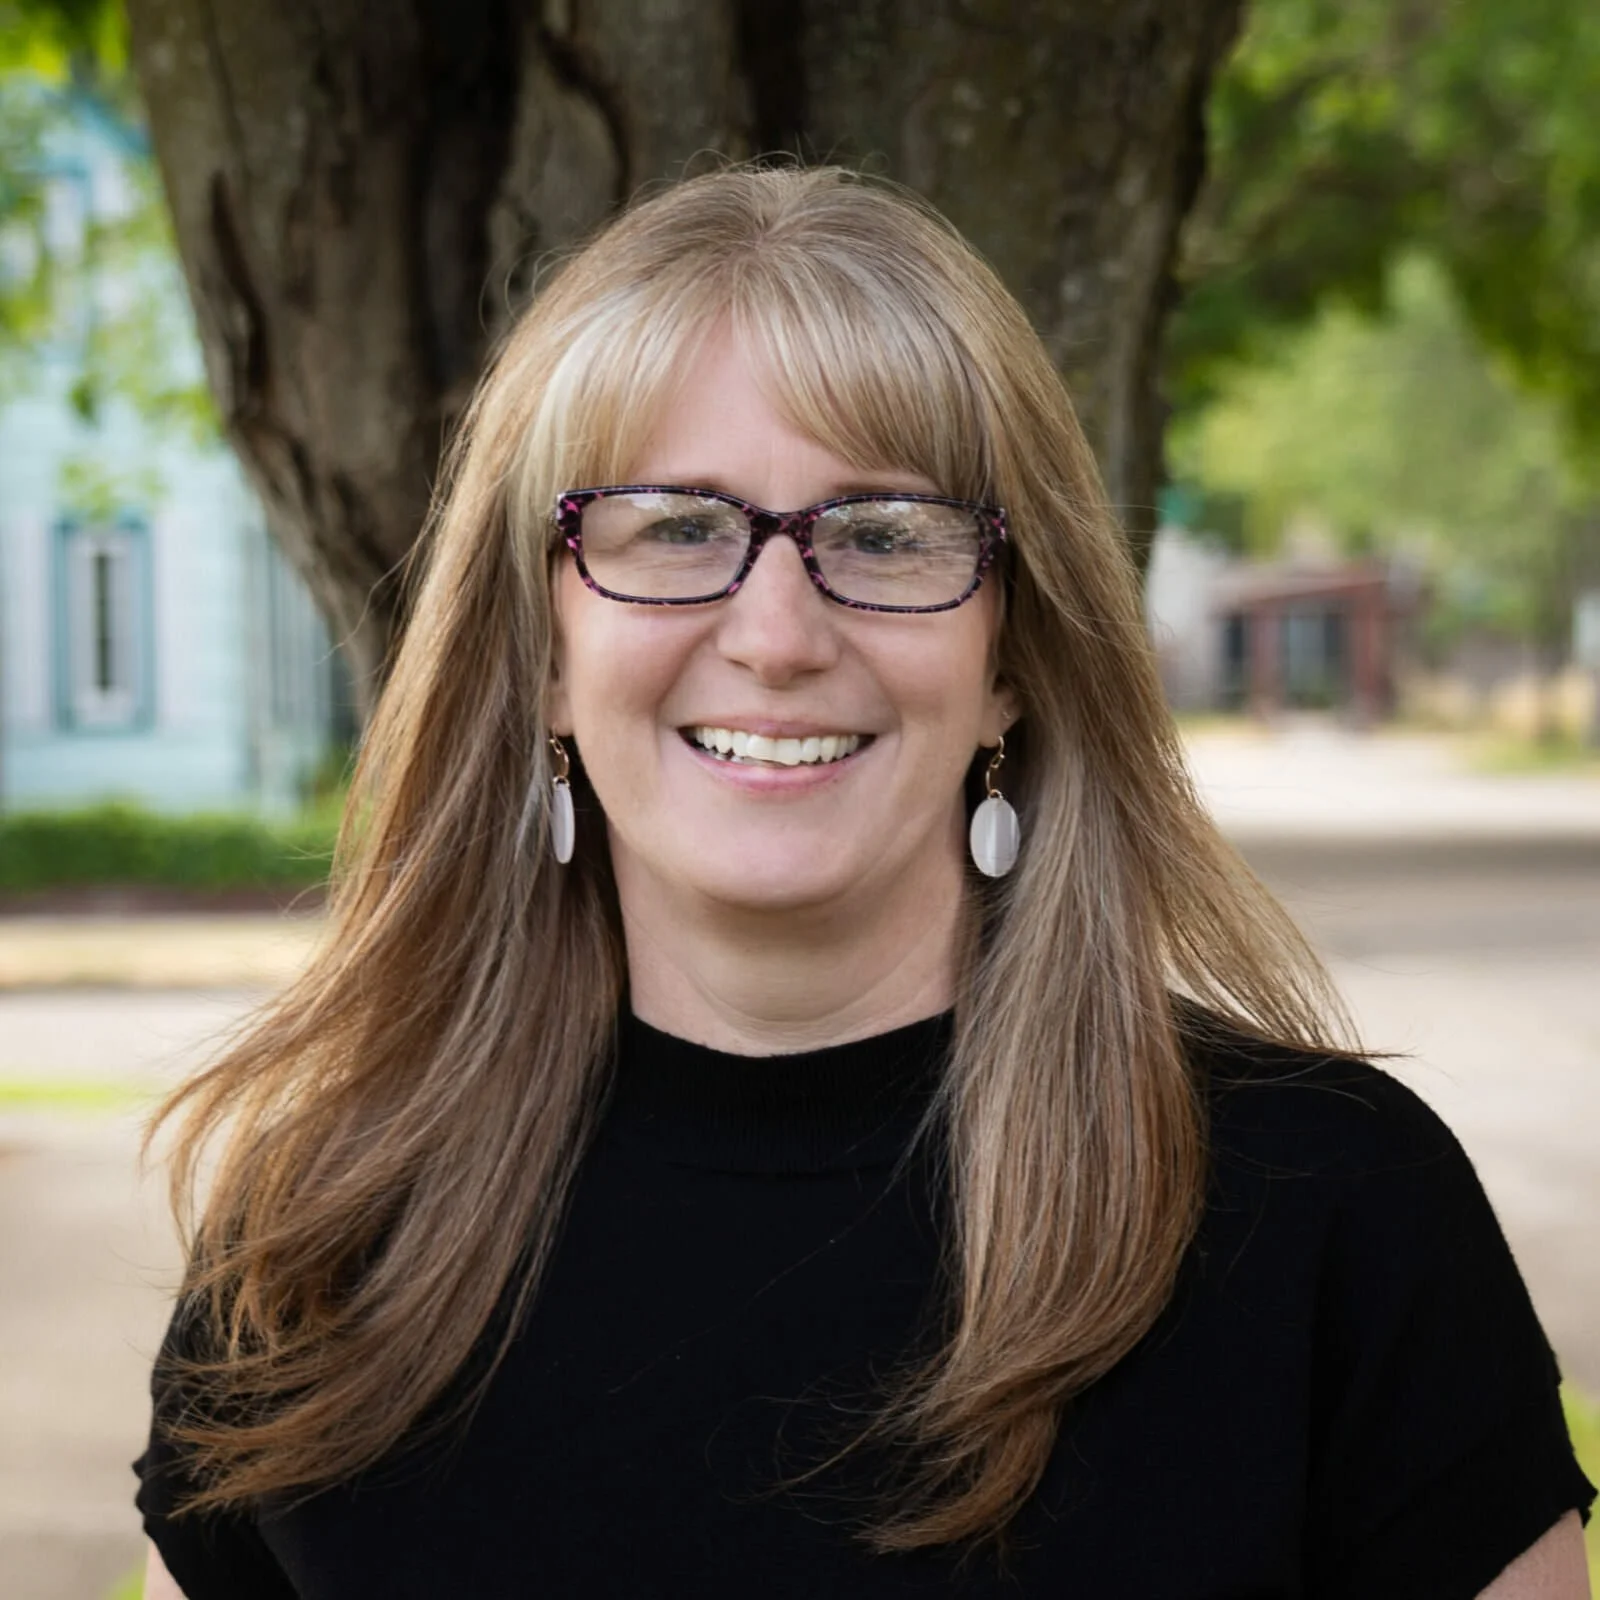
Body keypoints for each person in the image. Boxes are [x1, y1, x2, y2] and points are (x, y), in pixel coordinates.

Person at [134, 164, 1594, 1599]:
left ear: (1013, 660)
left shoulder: (1336, 1217)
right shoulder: (314, 1245)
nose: (777, 633)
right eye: (678, 529)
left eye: (885, 537)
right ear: (541, 659)